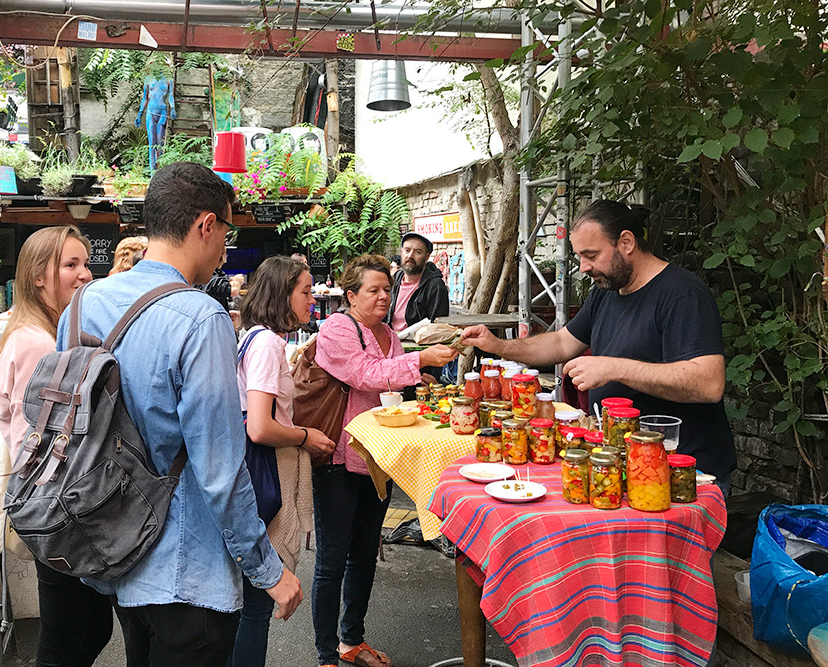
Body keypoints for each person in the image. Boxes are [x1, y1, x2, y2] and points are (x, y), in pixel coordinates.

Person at [58, 162, 302, 666]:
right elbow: (220, 472)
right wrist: (269, 571)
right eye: (225, 234)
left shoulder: (83, 304)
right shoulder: (200, 317)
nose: (223, 252)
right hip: (188, 570)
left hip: (116, 551)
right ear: (205, 225)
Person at [460, 200, 736, 492]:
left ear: (627, 242)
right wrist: (497, 345)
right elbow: (561, 342)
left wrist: (613, 367)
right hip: (623, 463)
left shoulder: (683, 294)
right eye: (580, 256)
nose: (583, 267)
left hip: (684, 470)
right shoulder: (606, 292)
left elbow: (708, 383)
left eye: (591, 255)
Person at [313, 254, 458, 667]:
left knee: (364, 553)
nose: (382, 297)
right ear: (351, 295)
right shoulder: (338, 328)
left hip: (378, 459)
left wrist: (421, 378)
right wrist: (420, 361)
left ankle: (351, 641)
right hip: (340, 457)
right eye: (373, 290)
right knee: (332, 559)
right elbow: (365, 374)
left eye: (387, 290)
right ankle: (326, 654)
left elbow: (390, 380)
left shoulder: (388, 335)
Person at [0, 226, 110, 667]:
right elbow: (36, 441)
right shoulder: (36, 342)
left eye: (84, 262)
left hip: (56, 506)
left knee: (89, 628)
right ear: (38, 276)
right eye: (70, 264)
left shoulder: (42, 332)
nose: (84, 274)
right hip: (55, 509)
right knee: (65, 637)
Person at [228, 256, 335, 667]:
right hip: (264, 472)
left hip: (251, 471)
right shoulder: (268, 343)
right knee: (255, 607)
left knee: (243, 606)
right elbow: (259, 427)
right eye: (305, 292)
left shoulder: (253, 337)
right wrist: (306, 436)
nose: (312, 300)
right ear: (281, 294)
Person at [387, 232, 450, 385]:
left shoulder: (435, 286)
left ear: (427, 257)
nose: (411, 256)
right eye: (407, 250)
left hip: (421, 360)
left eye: (418, 252)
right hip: (391, 354)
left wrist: (431, 374)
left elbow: (437, 331)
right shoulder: (394, 279)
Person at [134, 73, 175, 172]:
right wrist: (140, 113)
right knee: (152, 143)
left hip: (162, 112)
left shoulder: (169, 80)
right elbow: (145, 98)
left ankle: (159, 171)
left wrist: (173, 108)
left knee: (160, 143)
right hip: (151, 112)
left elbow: (170, 96)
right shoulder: (148, 79)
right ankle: (152, 172)